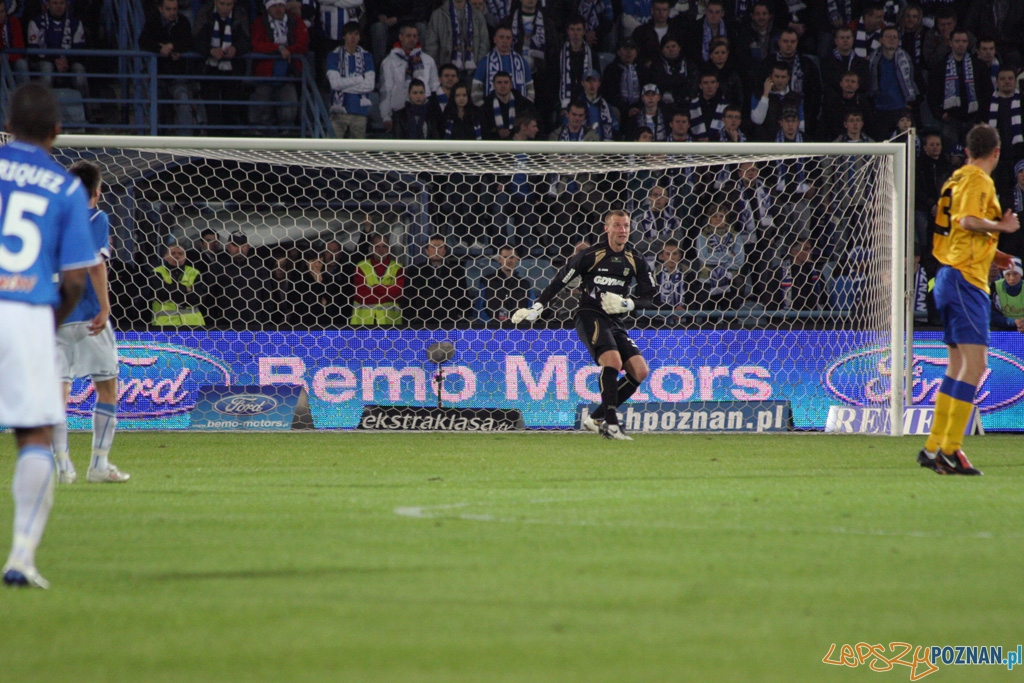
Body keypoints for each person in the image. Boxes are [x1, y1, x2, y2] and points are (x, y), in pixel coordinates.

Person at [1, 83, 97, 589]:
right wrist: (48, 325)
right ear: (57, 132)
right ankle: (20, 557)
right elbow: (77, 279)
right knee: (34, 435)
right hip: (24, 313)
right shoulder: (65, 189)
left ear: (9, 125)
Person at [918, 123, 1020, 476]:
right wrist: (1002, 228)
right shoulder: (979, 180)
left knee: (958, 366)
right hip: (964, 279)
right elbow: (967, 221)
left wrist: (996, 253)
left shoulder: (955, 179)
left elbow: (958, 229)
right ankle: (950, 449)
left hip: (949, 275)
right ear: (996, 152)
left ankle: (934, 448)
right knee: (975, 367)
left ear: (966, 151)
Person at [511, 210, 658, 441]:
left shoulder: (636, 259)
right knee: (613, 362)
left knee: (640, 371)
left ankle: (596, 418)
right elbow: (559, 281)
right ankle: (611, 423)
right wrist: (536, 308)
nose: (622, 230)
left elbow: (651, 296)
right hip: (589, 314)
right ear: (606, 228)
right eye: (617, 225)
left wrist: (627, 303)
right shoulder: (590, 255)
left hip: (615, 319)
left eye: (626, 226)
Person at [52, 161, 128, 486]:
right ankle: (98, 463)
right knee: (107, 386)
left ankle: (62, 468)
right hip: (88, 316)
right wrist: (106, 307)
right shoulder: (96, 216)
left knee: (57, 393)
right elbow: (96, 265)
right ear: (98, 191)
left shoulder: (49, 220)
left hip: (51, 317)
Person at [251, 0, 310, 131]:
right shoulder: (259, 23)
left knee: (289, 109)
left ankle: (286, 135)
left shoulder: (295, 21)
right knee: (264, 108)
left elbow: (303, 44)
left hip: (289, 72)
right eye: (274, 6)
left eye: (281, 5)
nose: (278, 9)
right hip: (264, 73)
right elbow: (255, 44)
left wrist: (289, 50)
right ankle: (265, 137)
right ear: (268, 8)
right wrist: (278, 49)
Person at [138, 0, 195, 133]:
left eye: (175, 9)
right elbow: (143, 41)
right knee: (155, 104)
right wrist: (159, 49)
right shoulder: (153, 21)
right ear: (160, 9)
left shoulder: (183, 22)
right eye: (168, 9)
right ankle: (155, 141)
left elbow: (189, 42)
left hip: (177, 76)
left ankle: (186, 144)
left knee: (183, 102)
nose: (172, 13)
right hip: (157, 75)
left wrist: (173, 47)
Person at [194, 0, 251, 133]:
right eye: (222, 4)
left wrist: (236, 49)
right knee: (212, 114)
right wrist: (210, 50)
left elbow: (246, 41)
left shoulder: (240, 15)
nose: (225, 8)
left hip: (232, 72)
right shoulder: (204, 14)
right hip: (209, 71)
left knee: (231, 113)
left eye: (228, 4)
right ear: (215, 2)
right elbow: (196, 40)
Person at [379, 23, 440, 135]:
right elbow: (385, 91)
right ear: (400, 37)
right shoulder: (389, 62)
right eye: (408, 35)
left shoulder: (428, 60)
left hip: (424, 113)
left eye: (415, 36)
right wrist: (386, 116)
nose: (412, 39)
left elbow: (434, 88)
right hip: (399, 113)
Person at [26, 0, 89, 102]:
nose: (58, 6)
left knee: (79, 71)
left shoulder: (76, 23)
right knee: (47, 69)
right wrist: (54, 60)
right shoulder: (36, 23)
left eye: (61, 3)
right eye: (55, 3)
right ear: (48, 4)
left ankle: (87, 113)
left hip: (68, 62)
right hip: (43, 62)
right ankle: (43, 113)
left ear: (66, 4)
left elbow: (79, 49)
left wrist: (67, 61)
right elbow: (34, 52)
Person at [403, 234, 470, 328]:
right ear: (427, 250)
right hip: (422, 324)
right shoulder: (415, 271)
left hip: (449, 323)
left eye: (440, 247)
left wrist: (459, 316)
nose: (437, 250)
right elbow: (407, 298)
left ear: (445, 250)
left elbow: (464, 297)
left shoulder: (456, 271)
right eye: (433, 247)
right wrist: (413, 318)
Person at [326, 21, 375, 140]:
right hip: (338, 112)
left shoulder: (367, 56)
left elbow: (369, 85)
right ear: (344, 36)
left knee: (357, 154)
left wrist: (344, 84)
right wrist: (359, 79)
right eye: (350, 33)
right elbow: (335, 84)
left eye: (356, 34)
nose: (353, 37)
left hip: (360, 112)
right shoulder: (333, 55)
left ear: (359, 37)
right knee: (331, 152)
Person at [424, 0, 489, 83]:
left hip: (472, 72)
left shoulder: (477, 16)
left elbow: (484, 44)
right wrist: (436, 69)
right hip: (446, 71)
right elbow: (432, 45)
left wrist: (478, 67)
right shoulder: (438, 15)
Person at [472, 25, 535, 107]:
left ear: (512, 40)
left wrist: (526, 107)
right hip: (492, 112)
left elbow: (530, 89)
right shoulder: (484, 62)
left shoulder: (522, 62)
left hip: (518, 112)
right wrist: (484, 110)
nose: (505, 41)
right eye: (501, 37)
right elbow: (476, 91)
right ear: (495, 39)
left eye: (508, 38)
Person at [351, 233, 404, 326]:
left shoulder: (398, 268)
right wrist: (386, 292)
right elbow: (361, 294)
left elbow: (398, 293)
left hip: (390, 323)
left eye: (384, 246)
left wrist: (374, 288)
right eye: (377, 247)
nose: (381, 250)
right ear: (371, 248)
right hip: (363, 324)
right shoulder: (361, 266)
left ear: (389, 248)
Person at [151, 243, 206, 327]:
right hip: (165, 325)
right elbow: (161, 294)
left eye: (180, 254)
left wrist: (170, 289)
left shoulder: (194, 272)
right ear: (165, 256)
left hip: (193, 324)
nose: (177, 256)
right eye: (173, 253)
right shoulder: (157, 272)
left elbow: (197, 299)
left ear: (185, 257)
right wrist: (187, 289)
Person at [482, 245, 530, 325]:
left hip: (518, 330)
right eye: (505, 257)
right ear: (499, 259)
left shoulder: (524, 284)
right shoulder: (487, 281)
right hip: (493, 330)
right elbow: (479, 309)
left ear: (517, 259)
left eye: (511, 257)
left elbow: (530, 308)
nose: (508, 260)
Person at [991, 256, 1024, 332]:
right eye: (1008, 274)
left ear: (1020, 274)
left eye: (1015, 274)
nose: (1012, 278)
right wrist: (1013, 321)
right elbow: (991, 315)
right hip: (1002, 329)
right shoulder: (995, 288)